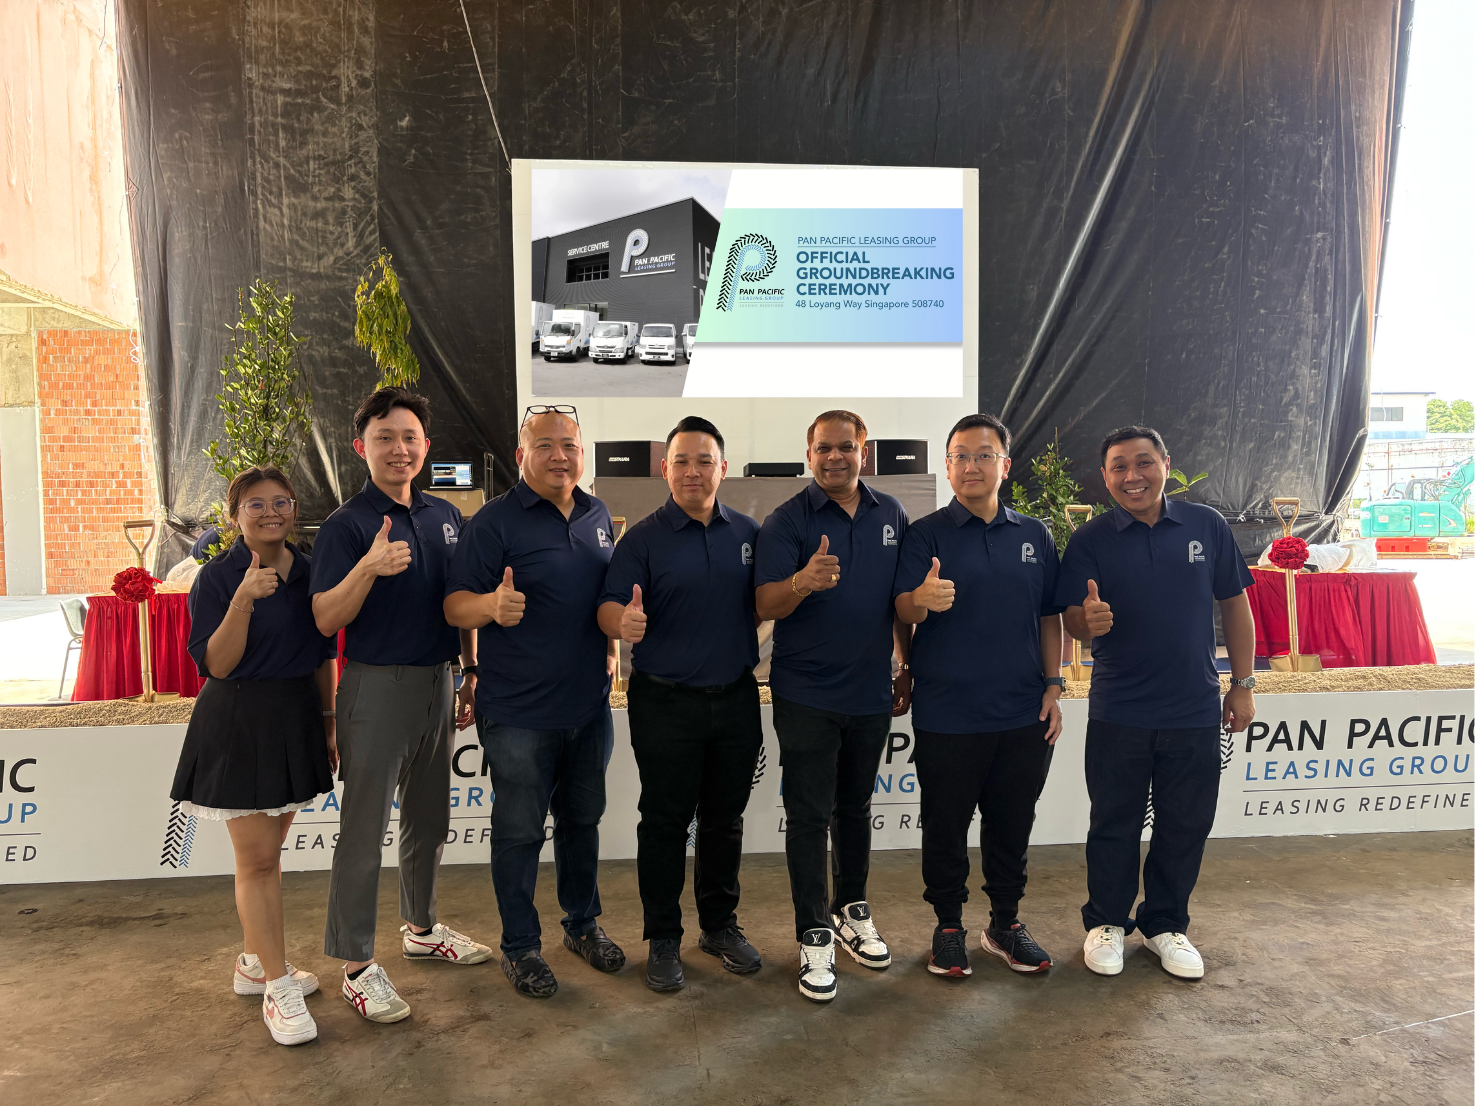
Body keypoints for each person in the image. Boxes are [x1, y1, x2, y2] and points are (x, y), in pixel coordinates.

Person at [310, 387, 490, 1025]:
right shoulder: (346, 525)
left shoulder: (447, 516)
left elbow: (460, 600)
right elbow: (325, 618)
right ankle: (357, 965)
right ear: (361, 448)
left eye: (410, 437)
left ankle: (422, 928)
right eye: (384, 438)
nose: (399, 449)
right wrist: (367, 568)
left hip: (439, 681)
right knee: (364, 830)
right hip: (375, 687)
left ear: (426, 446)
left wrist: (470, 671)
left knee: (428, 818)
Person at [1056, 425, 1256, 980]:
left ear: (1166, 463)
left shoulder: (1206, 525)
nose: (1132, 476)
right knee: (1113, 824)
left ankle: (1166, 924)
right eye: (1118, 467)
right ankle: (1106, 922)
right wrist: (1085, 621)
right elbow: (1070, 617)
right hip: (1119, 710)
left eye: (1143, 462)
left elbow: (1234, 604)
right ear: (1105, 478)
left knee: (1185, 824)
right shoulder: (1090, 540)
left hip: (1194, 709)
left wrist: (1243, 683)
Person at [444, 405, 625, 998]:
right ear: (522, 455)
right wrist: (490, 608)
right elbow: (454, 606)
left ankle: (582, 924)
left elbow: (602, 593)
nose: (559, 456)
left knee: (581, 822)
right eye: (544, 445)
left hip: (588, 707)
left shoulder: (597, 513)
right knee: (519, 833)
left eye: (569, 445)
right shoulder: (493, 522)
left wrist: (611, 647)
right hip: (518, 712)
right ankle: (520, 946)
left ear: (582, 453)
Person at [169, 466, 338, 1046]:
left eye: (281, 502)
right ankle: (276, 985)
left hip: (297, 717)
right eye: (256, 504)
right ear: (235, 514)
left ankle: (252, 961)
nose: (271, 513)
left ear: (295, 509)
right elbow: (216, 664)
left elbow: (323, 652)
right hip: (239, 719)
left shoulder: (311, 571)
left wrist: (328, 722)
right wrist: (242, 599)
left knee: (269, 855)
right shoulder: (218, 577)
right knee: (259, 863)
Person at [893, 414, 1064, 979]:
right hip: (947, 713)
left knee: (1011, 824)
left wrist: (1054, 684)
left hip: (1023, 711)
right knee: (945, 825)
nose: (972, 466)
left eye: (984, 455)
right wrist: (920, 599)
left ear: (1004, 466)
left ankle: (1004, 925)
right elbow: (901, 609)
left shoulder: (1035, 535)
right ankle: (948, 926)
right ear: (947, 468)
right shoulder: (925, 535)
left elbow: (1049, 615)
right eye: (961, 456)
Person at [598, 416, 764, 993]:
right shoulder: (642, 540)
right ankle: (663, 936)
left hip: (736, 698)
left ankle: (718, 926)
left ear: (723, 468)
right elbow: (608, 606)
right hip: (665, 703)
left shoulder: (749, 532)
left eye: (704, 461)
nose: (693, 472)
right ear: (665, 469)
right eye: (682, 462)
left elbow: (766, 601)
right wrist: (622, 623)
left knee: (725, 820)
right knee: (665, 822)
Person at [753, 409, 910, 1003]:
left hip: (870, 692)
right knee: (809, 816)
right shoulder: (786, 520)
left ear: (863, 452)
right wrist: (802, 581)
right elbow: (764, 604)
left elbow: (900, 600)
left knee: (855, 808)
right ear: (809, 454)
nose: (834, 457)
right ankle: (813, 930)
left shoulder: (891, 514)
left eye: (846, 447)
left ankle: (851, 909)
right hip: (807, 695)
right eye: (824, 448)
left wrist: (906, 664)